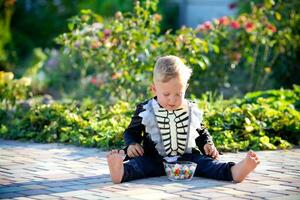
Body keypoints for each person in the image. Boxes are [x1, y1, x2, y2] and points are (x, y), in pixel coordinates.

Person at [106, 55, 260, 184]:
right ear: (154, 89)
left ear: (185, 88)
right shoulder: (146, 109)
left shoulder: (191, 109)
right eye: (166, 94)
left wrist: (207, 144)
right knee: (139, 165)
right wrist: (132, 144)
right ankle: (120, 172)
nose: (172, 100)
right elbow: (131, 132)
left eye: (178, 94)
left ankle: (235, 171)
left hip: (187, 159)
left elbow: (200, 131)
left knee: (207, 164)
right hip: (154, 158)